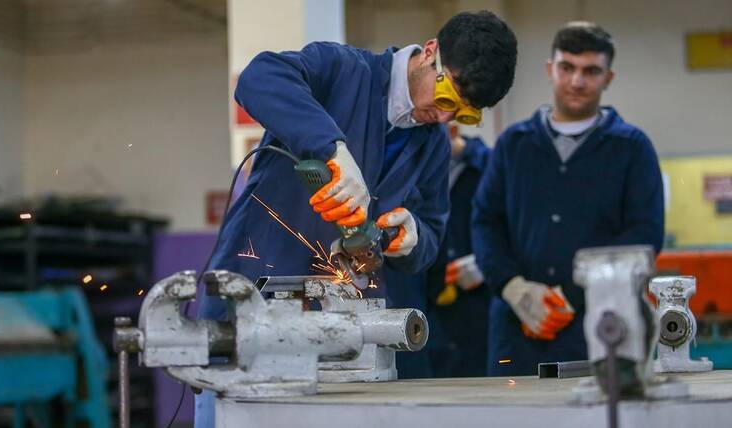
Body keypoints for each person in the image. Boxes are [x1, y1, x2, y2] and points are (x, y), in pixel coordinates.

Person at [195, 11, 517, 426]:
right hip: (248, 315)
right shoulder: (344, 71)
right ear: (430, 52)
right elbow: (259, 77)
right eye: (445, 99)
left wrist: (415, 240)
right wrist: (331, 148)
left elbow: (433, 232)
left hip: (337, 340)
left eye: (463, 115)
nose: (443, 118)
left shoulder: (433, 144)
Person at [473, 21, 664, 377]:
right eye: (567, 68)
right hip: (516, 332)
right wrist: (514, 288)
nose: (577, 81)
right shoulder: (513, 146)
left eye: (591, 71)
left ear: (608, 78)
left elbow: (645, 234)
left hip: (601, 328)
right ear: (550, 69)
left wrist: (571, 295)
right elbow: (485, 222)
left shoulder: (632, 149)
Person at [425, 129, 492, 377]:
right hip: (432, 302)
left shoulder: (490, 166)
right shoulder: (420, 168)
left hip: (482, 303)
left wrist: (484, 264)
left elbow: (515, 226)